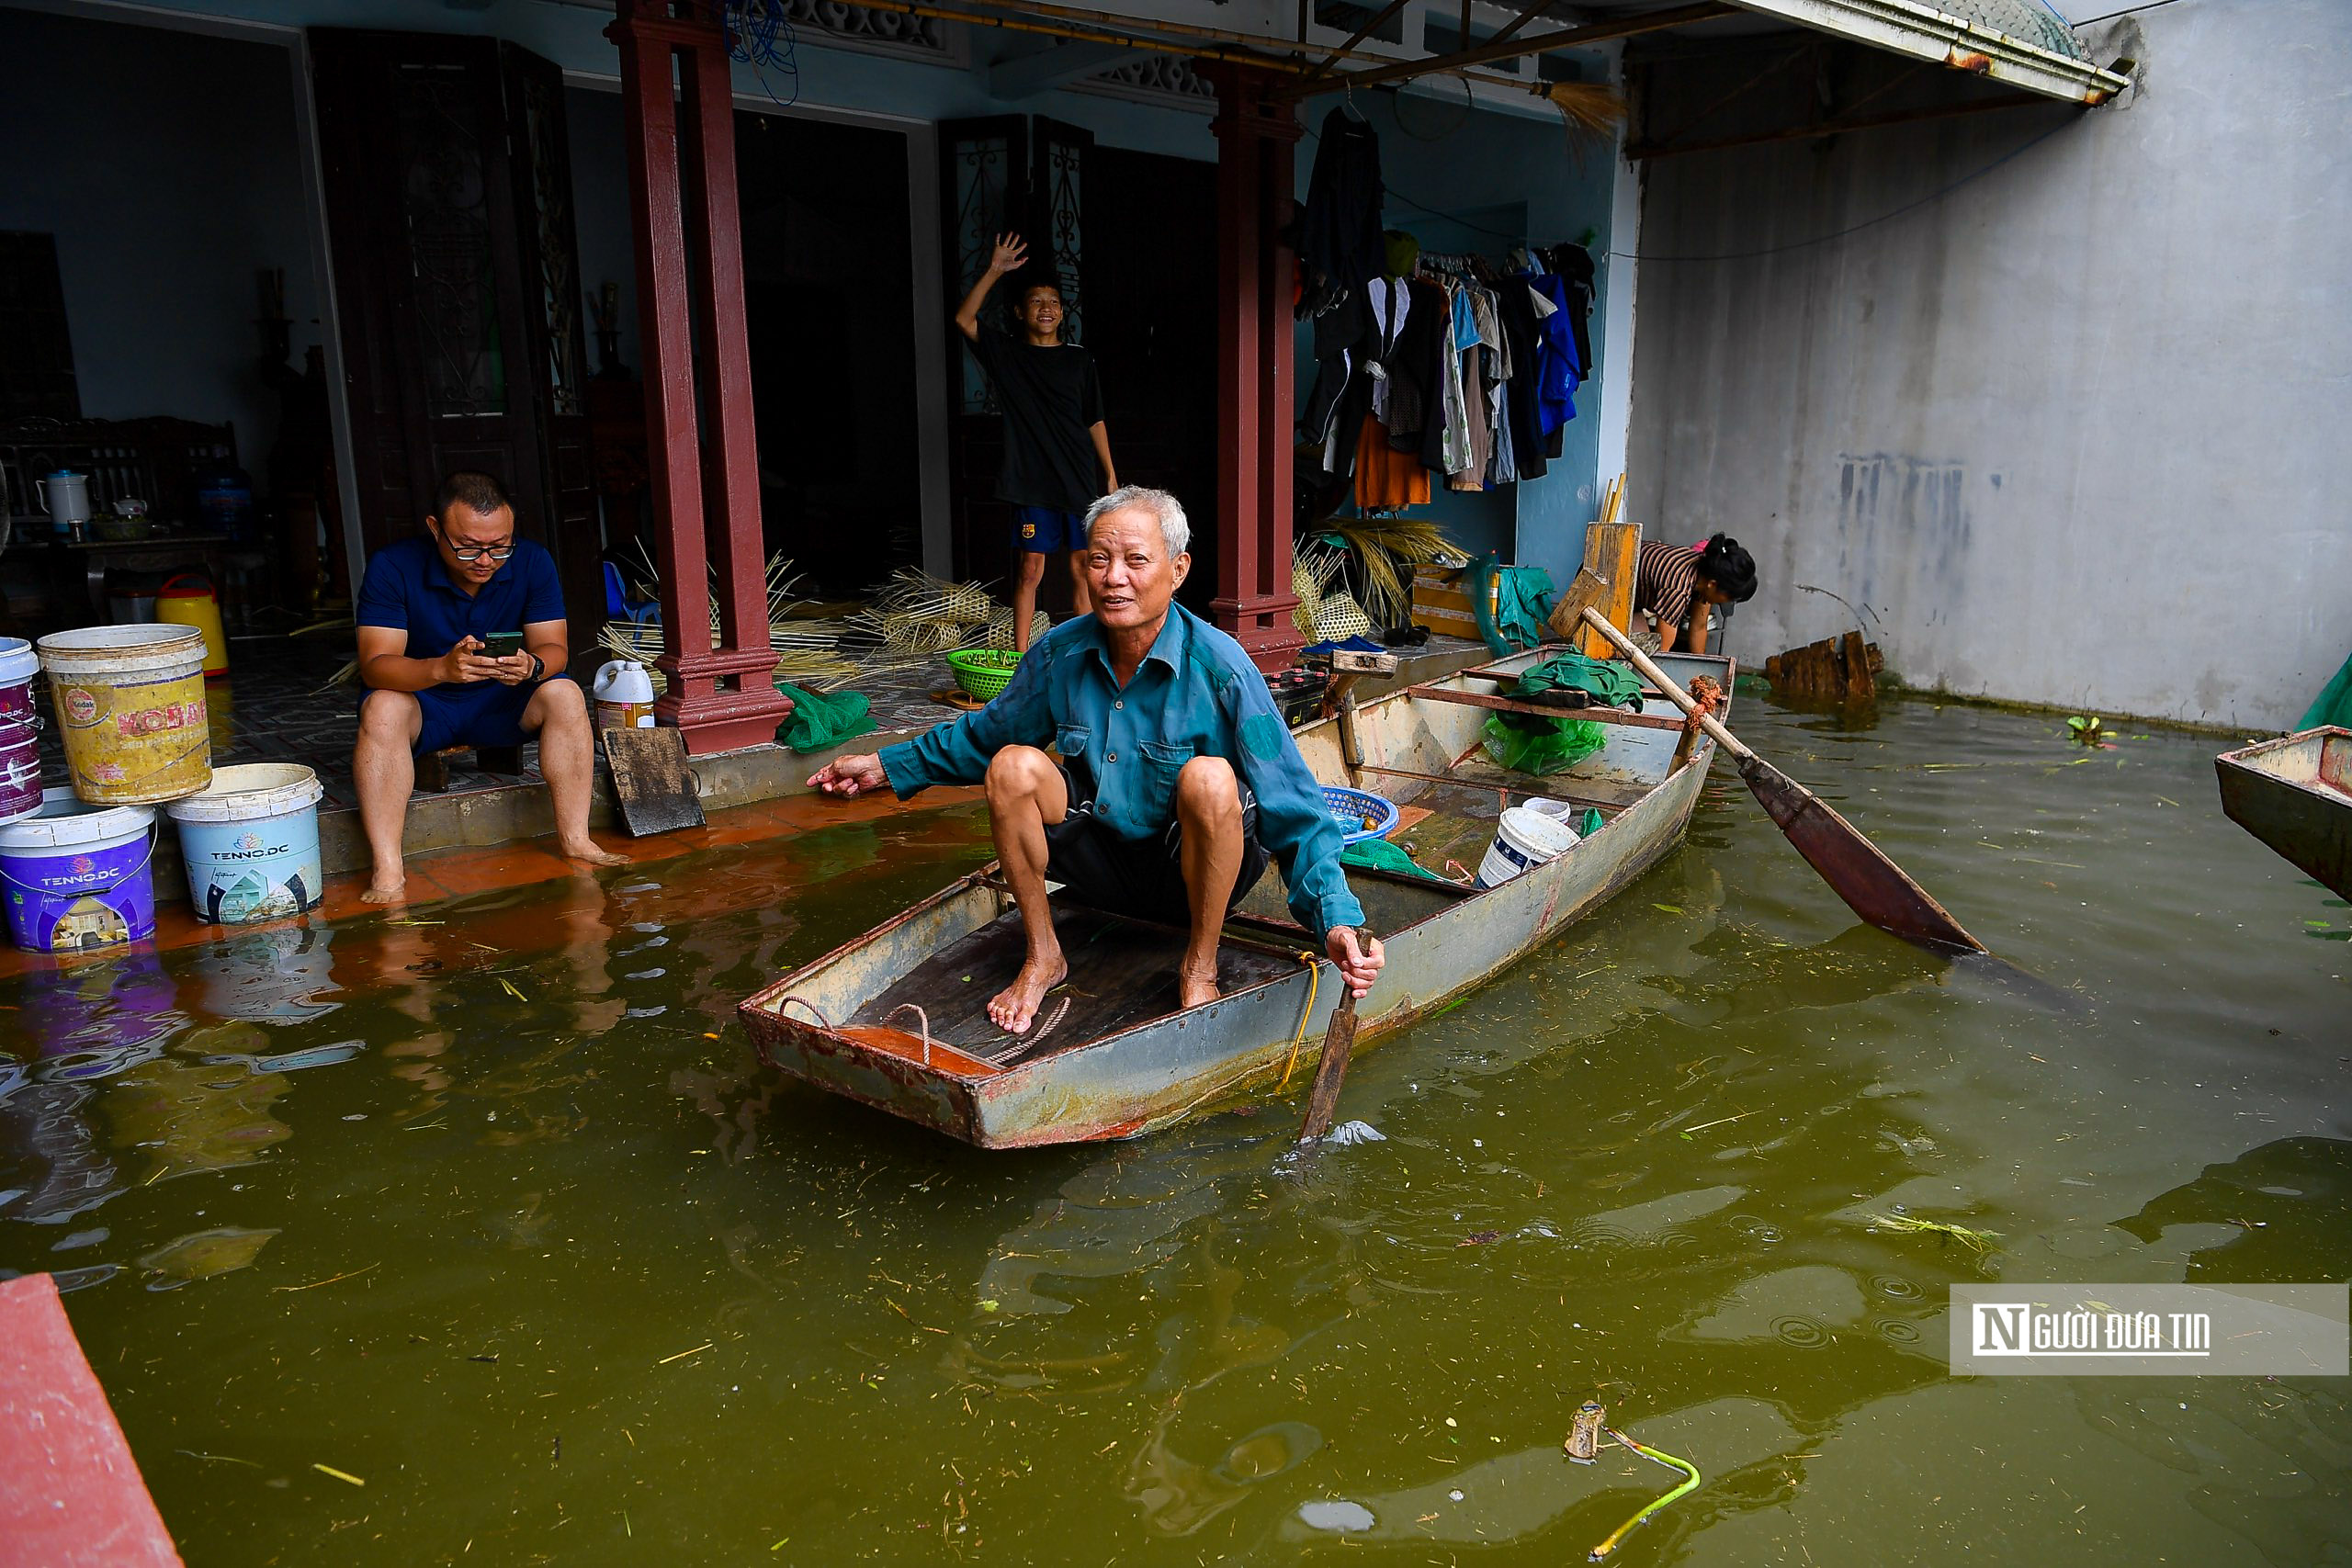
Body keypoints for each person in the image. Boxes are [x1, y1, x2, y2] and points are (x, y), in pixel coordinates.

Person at [809, 486, 1383, 1035]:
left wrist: (1336, 918)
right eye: (1100, 559)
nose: (1115, 578)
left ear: (1177, 571)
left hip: (1191, 877)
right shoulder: (1062, 650)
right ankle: (1044, 955)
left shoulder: (1222, 665)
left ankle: (1199, 965)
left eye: (1137, 560)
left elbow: (1294, 805)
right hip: (1098, 864)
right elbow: (986, 736)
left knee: (1210, 778)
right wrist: (888, 766)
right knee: (1011, 765)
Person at [352, 470, 626, 902]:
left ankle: (576, 838)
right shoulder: (393, 566)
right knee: (382, 707)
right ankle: (388, 869)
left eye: (499, 547)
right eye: (468, 547)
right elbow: (375, 666)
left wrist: (532, 666)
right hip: (426, 705)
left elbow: (555, 649)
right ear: (434, 528)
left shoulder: (532, 561)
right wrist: (440, 670)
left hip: (503, 700)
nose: (485, 560)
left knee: (566, 692)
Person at [954, 232, 1116, 653]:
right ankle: (1022, 658)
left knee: (1083, 568)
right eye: (1036, 302)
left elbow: (1094, 419)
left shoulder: (1079, 359)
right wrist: (995, 269)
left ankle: (1085, 655)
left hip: (1079, 478)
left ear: (1063, 312)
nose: (1047, 309)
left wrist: (1111, 477)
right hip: (1031, 480)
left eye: (1053, 303)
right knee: (1030, 570)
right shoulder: (1007, 354)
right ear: (1020, 312)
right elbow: (964, 320)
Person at [1630, 533, 1758, 654]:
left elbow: (1699, 627)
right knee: (1644, 655)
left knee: (1645, 649)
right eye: (1728, 598)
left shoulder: (1704, 574)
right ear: (1712, 585)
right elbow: (1662, 650)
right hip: (1618, 588)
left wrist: (1702, 672)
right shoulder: (1678, 587)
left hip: (1635, 601)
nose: (1725, 602)